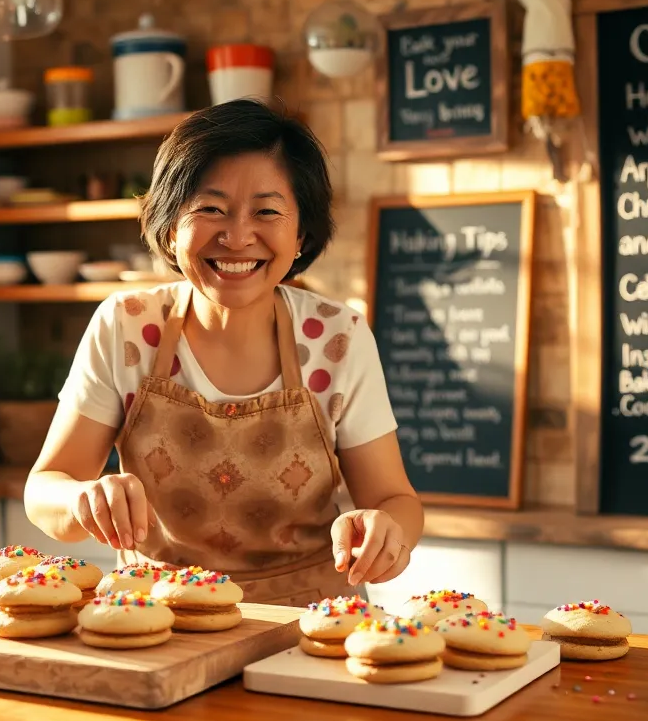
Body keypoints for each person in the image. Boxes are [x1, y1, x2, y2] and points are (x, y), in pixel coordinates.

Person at [24, 99, 423, 606]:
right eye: (210, 208)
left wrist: (388, 530)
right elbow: (44, 490)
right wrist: (79, 498)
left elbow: (396, 500)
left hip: (309, 621)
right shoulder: (125, 326)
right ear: (170, 226)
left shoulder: (337, 337)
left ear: (300, 234)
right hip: (156, 617)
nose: (237, 236)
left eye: (267, 211)